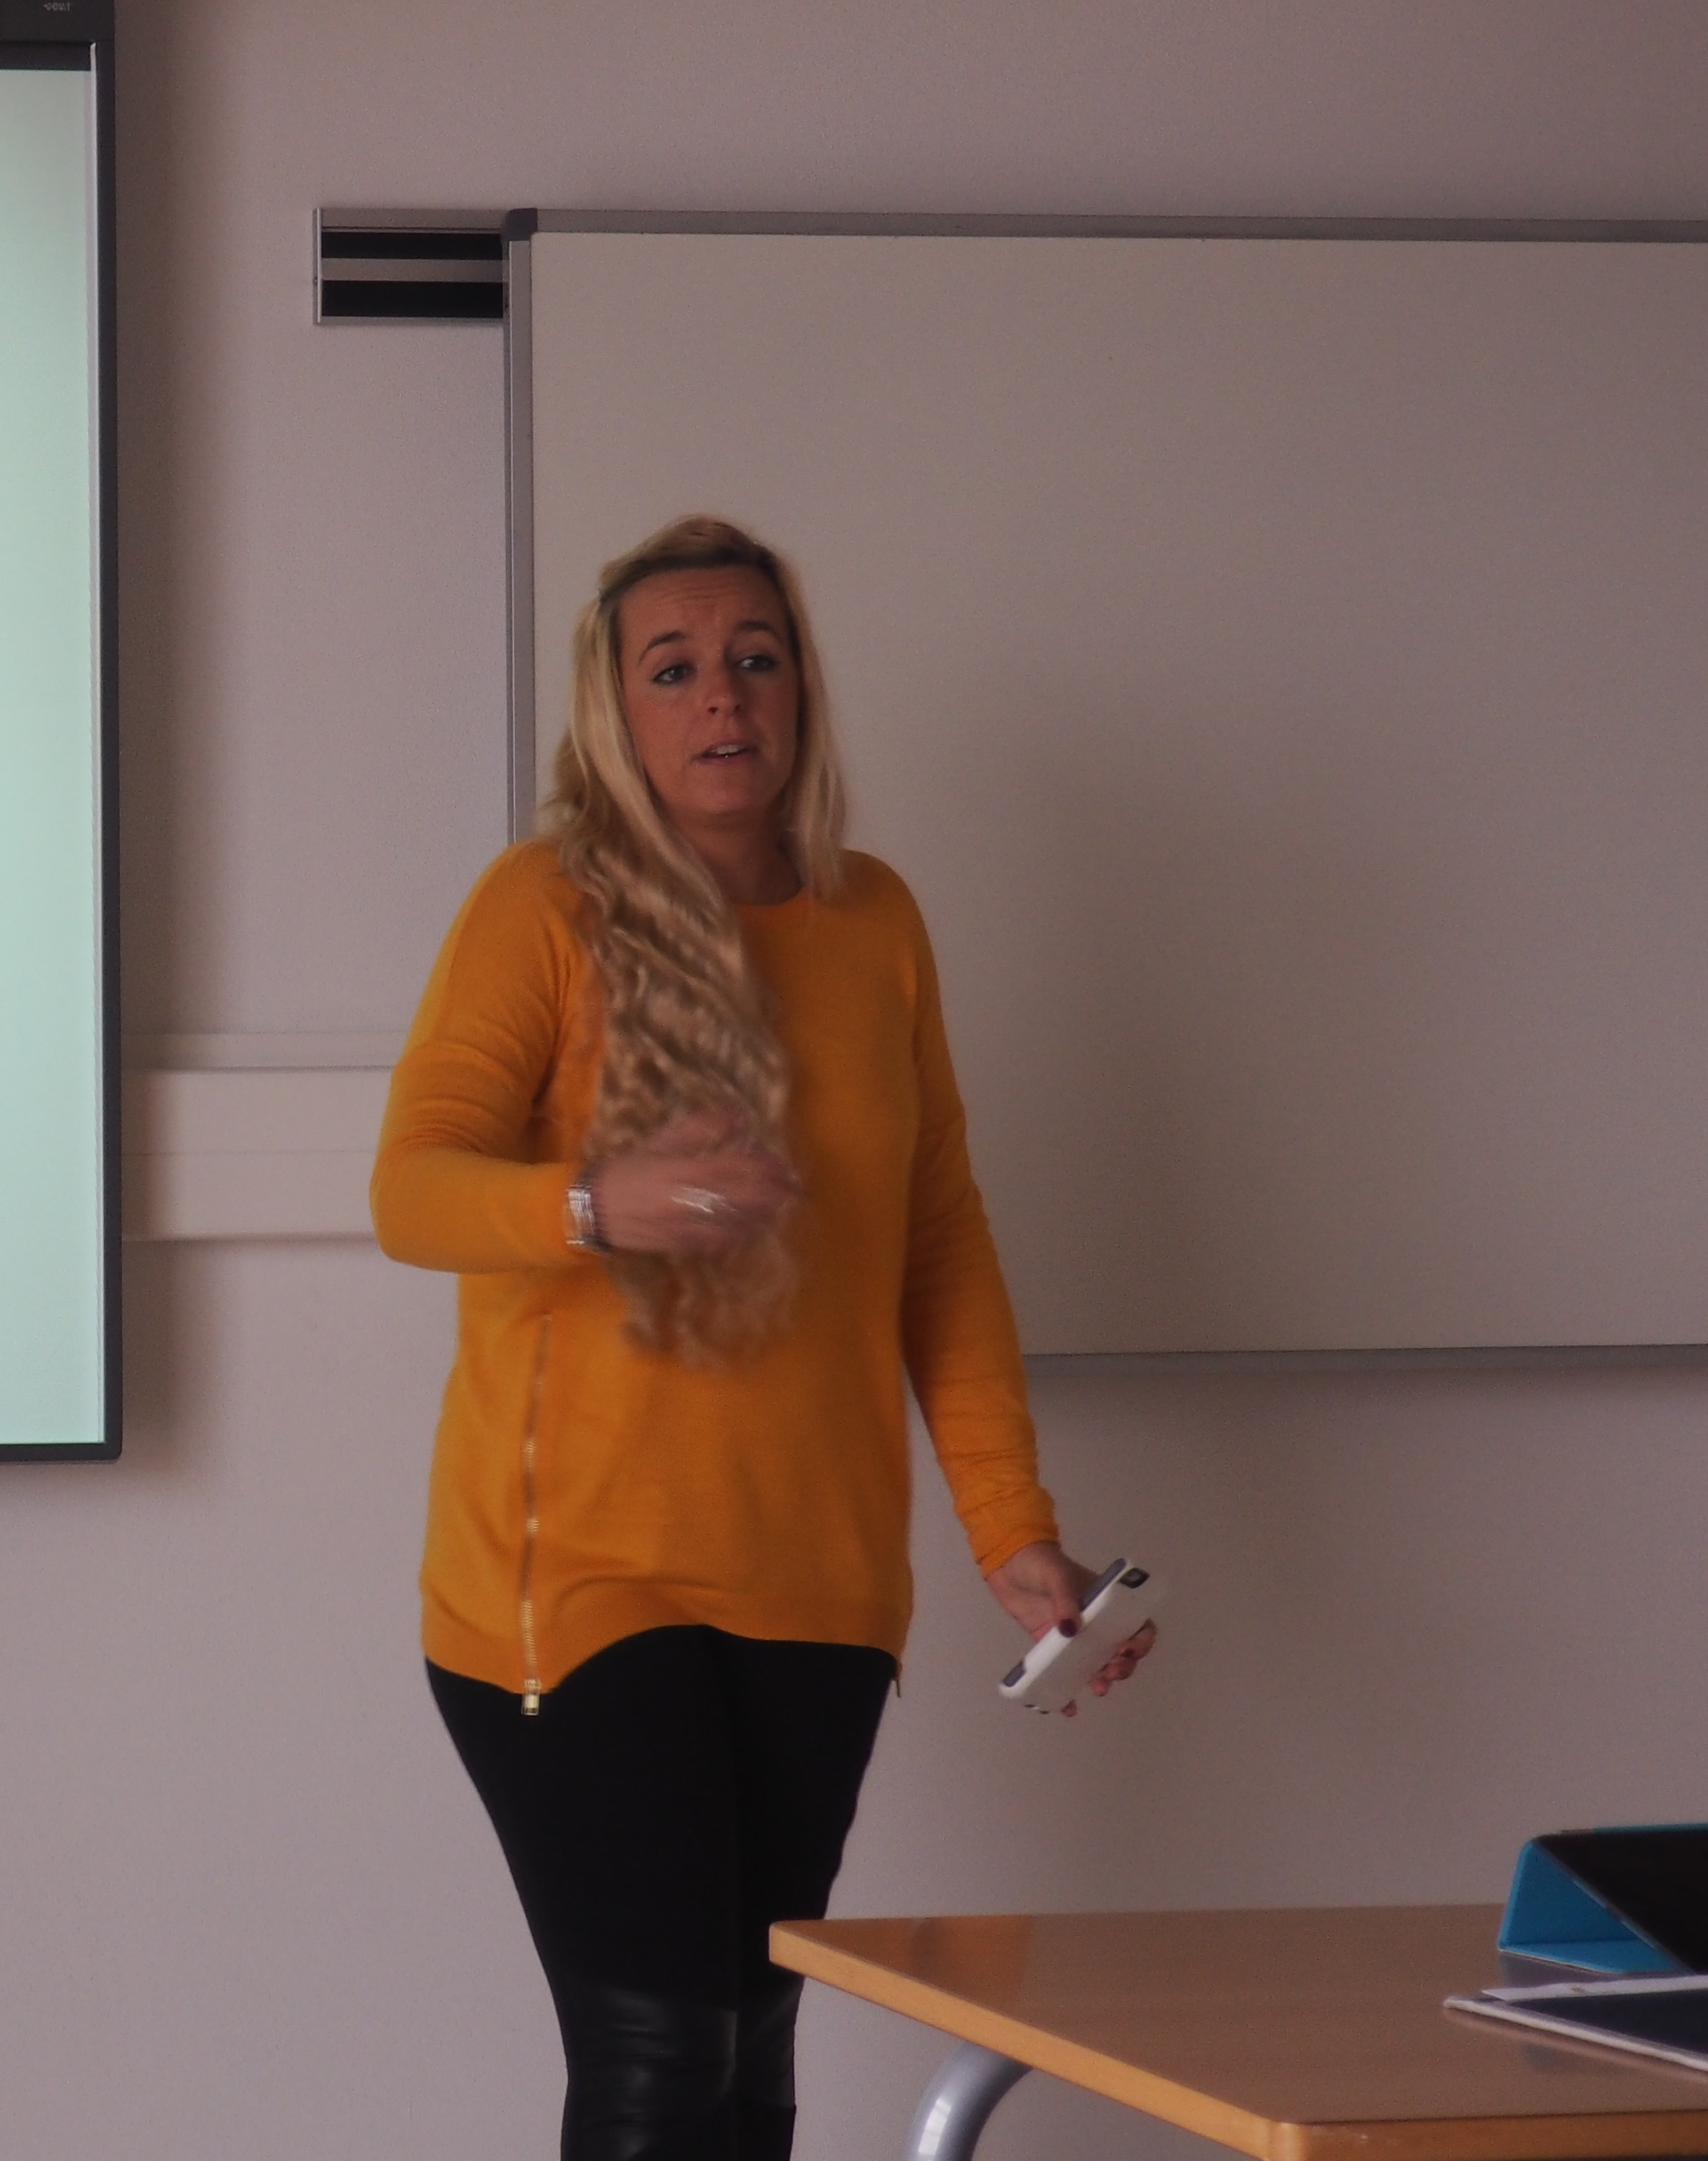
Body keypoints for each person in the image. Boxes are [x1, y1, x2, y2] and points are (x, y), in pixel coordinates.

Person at [369, 514, 1152, 2161]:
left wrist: (1011, 1531)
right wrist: (596, 1204)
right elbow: (411, 1190)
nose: (721, 695)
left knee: (748, 2071)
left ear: (801, 690)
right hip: (578, 1586)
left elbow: (937, 1243)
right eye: (673, 669)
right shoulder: (541, 908)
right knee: (660, 2068)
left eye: (754, 657)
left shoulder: (877, 922)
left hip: (818, 1589)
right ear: (617, 713)